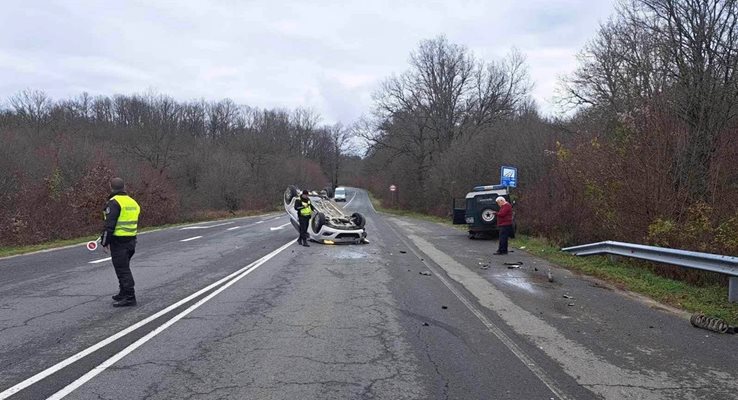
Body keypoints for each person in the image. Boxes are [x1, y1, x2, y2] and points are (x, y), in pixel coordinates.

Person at [100, 177, 141, 307]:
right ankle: (123, 292)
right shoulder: (132, 202)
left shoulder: (114, 202)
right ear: (124, 187)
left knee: (122, 270)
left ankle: (129, 296)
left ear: (111, 187)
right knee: (123, 267)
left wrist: (105, 241)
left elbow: (110, 225)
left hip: (119, 241)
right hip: (131, 240)